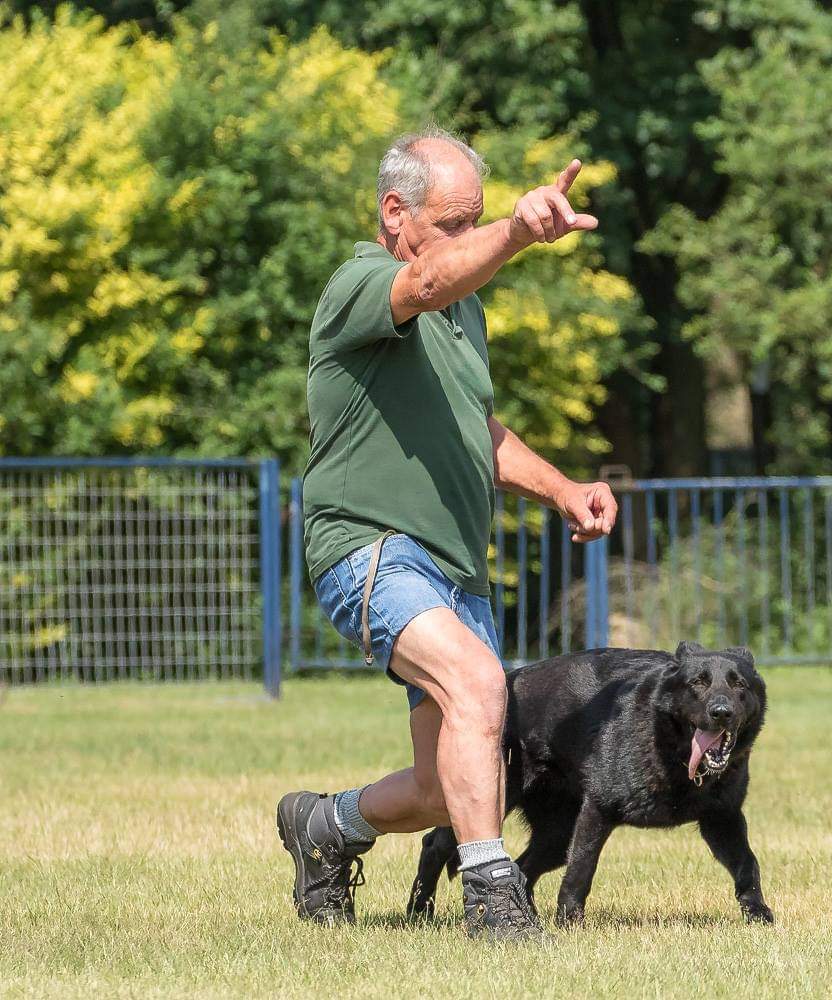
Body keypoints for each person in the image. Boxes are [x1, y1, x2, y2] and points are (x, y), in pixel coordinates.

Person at [275, 127, 617, 941]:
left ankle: (324, 827)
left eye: (480, 220)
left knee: (445, 783)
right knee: (478, 685)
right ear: (397, 212)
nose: (471, 238)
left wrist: (564, 488)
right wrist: (519, 233)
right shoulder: (361, 284)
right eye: (458, 223)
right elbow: (425, 279)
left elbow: (480, 432)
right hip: (371, 545)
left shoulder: (467, 316)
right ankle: (494, 900)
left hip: (454, 566)